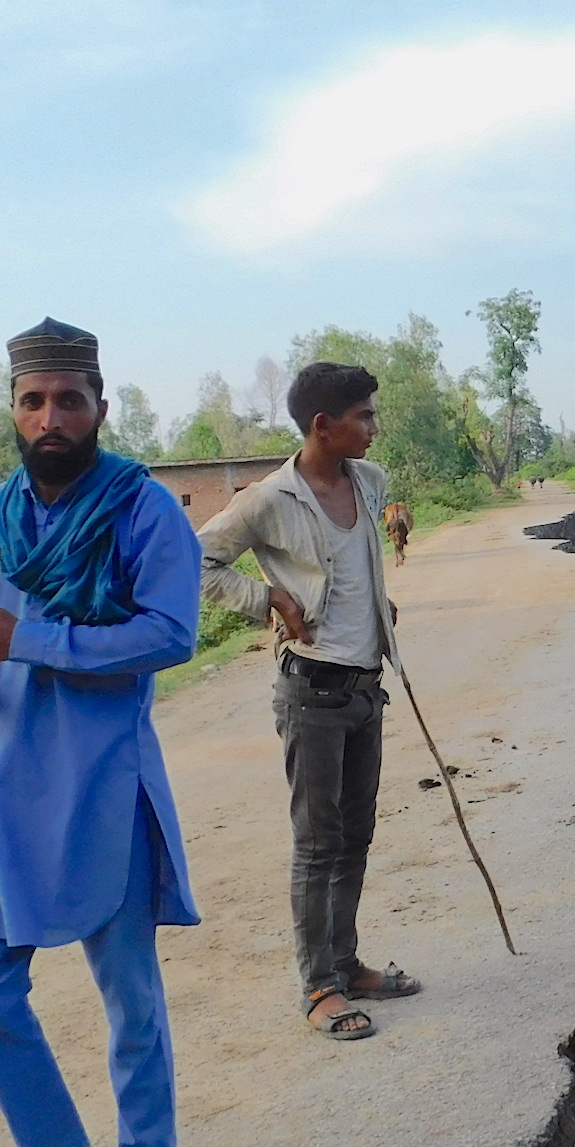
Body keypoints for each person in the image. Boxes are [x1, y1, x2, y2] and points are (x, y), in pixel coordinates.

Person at [0, 319, 202, 1147]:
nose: (52, 417)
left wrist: (30, 642)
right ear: (13, 409)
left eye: (70, 400)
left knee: (129, 994)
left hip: (103, 785)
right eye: (34, 401)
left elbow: (170, 634)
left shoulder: (143, 509)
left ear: (100, 407)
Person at [199, 362, 418, 1042]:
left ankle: (346, 963)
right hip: (312, 693)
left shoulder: (369, 481)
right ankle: (319, 985)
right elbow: (195, 561)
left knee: (355, 836)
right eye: (364, 416)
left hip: (365, 689)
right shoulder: (269, 499)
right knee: (318, 844)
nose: (374, 427)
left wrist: (376, 603)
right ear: (323, 426)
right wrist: (265, 597)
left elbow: (352, 565)